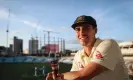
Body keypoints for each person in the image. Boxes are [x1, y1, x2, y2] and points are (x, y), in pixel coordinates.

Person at [46, 15, 129, 80]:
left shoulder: (109, 44)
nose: (81, 32)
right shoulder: (78, 55)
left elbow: (82, 76)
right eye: (77, 29)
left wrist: (59, 76)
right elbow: (73, 76)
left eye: (86, 27)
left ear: (95, 30)